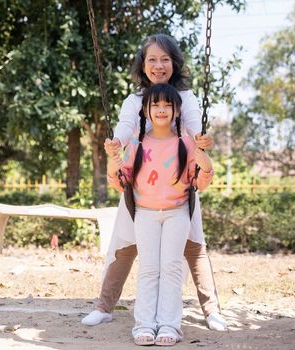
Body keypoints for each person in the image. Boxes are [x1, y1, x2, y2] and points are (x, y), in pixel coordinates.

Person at [82, 33, 228, 332]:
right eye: (152, 59)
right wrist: (116, 142)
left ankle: (211, 310)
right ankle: (104, 306)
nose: (158, 65)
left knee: (193, 246)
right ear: (143, 64)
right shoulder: (136, 100)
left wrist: (201, 139)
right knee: (124, 246)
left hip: (177, 187)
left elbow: (192, 127)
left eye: (164, 59)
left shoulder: (184, 98)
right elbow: (125, 127)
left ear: (174, 63)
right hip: (142, 189)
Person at [106, 83, 215, 346]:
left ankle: (169, 326)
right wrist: (113, 160)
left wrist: (206, 163)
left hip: (177, 213)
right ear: (145, 110)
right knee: (149, 268)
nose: (162, 110)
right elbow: (120, 181)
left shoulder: (187, 144)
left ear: (177, 111)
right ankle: (144, 325)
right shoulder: (136, 143)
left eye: (168, 105)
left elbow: (200, 182)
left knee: (171, 267)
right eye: (156, 105)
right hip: (145, 214)